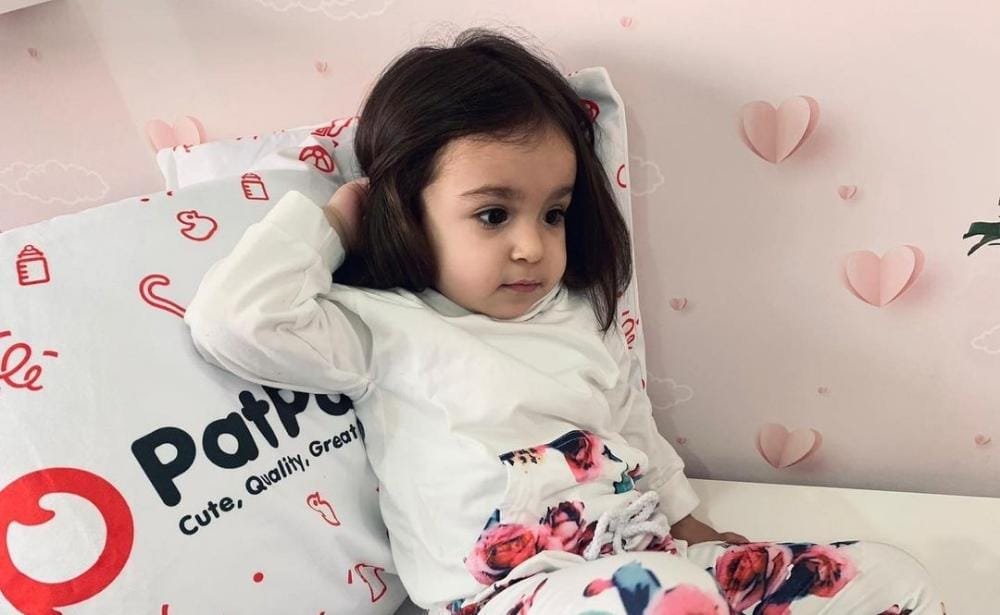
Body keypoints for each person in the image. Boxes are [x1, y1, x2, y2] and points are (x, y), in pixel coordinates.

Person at [185, 27, 943, 615]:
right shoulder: (377, 329)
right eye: (493, 214)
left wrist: (690, 525)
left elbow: (633, 422)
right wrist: (332, 222)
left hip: (649, 559)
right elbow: (236, 320)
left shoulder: (576, 310)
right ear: (404, 211)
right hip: (513, 593)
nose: (532, 245)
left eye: (553, 213)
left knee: (892, 578)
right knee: (669, 596)